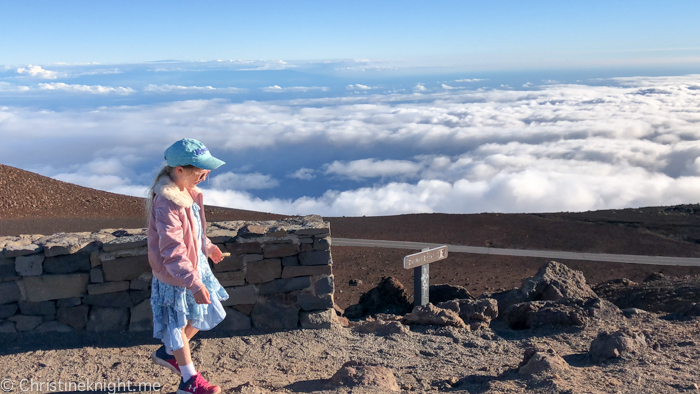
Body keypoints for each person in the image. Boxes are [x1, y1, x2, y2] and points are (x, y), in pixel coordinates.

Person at [146, 138, 229, 394]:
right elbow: (172, 251)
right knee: (178, 325)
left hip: (195, 268)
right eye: (201, 173)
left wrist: (208, 246)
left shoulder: (188, 194)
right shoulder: (166, 203)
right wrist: (193, 283)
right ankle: (189, 380)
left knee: (207, 311)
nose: (204, 178)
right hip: (176, 276)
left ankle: (169, 352)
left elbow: (193, 232)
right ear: (180, 170)